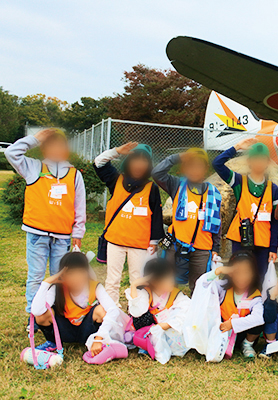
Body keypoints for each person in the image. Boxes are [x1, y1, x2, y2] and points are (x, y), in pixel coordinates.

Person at [5, 128, 86, 321]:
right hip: (37, 234)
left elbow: (79, 205)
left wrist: (78, 233)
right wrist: (35, 138)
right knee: (35, 277)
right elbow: (11, 152)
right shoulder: (33, 167)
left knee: (59, 277)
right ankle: (35, 318)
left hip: (62, 237)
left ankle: (56, 316)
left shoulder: (74, 174)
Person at [94, 141, 164, 303]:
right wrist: (117, 151)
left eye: (144, 160)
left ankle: (136, 310)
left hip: (139, 244)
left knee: (137, 280)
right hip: (115, 240)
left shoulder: (151, 188)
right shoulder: (116, 180)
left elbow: (156, 216)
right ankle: (111, 309)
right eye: (135, 159)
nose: (139, 164)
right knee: (112, 280)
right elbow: (99, 163)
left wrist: (154, 242)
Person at [152, 148, 221, 293]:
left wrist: (215, 248)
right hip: (176, 245)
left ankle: (196, 308)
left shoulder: (213, 193)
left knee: (200, 288)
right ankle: (170, 307)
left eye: (199, 166)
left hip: (202, 249)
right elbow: (157, 173)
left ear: (206, 169)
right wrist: (177, 157)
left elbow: (217, 222)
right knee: (168, 284)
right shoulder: (177, 185)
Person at [31, 252, 123, 360]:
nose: (76, 278)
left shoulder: (94, 286)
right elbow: (37, 312)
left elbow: (113, 310)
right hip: (64, 331)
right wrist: (46, 283)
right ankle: (52, 342)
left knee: (101, 311)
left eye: (81, 272)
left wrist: (99, 337)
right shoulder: (57, 288)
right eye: (71, 273)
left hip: (87, 331)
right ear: (62, 274)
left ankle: (98, 343)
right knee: (43, 315)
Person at [212, 137, 278, 278]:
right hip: (241, 239)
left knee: (258, 279)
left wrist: (273, 247)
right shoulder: (239, 181)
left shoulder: (272, 189)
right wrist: (236, 147)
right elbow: (217, 163)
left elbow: (274, 220)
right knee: (239, 276)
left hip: (263, 242)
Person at [126, 258, 191, 361]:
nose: (171, 281)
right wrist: (134, 286)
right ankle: (145, 343)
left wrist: (166, 325)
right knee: (142, 316)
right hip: (148, 330)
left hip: (165, 329)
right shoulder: (146, 293)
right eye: (167, 278)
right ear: (155, 282)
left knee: (182, 315)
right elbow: (137, 312)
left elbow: (187, 308)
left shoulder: (175, 294)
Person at [202, 251, 264, 358]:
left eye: (246, 272)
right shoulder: (222, 288)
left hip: (242, 333)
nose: (242, 277)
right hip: (222, 331)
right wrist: (217, 271)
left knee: (259, 321)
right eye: (237, 272)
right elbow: (203, 286)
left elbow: (258, 318)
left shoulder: (255, 295)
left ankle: (247, 344)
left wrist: (233, 324)